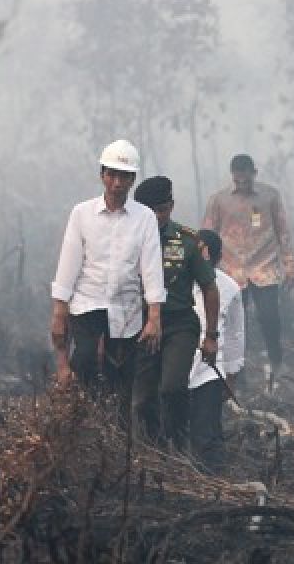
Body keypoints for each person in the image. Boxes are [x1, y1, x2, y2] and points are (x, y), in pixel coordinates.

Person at [50, 140, 165, 413]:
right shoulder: (82, 214)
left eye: (124, 176)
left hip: (126, 308)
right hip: (87, 302)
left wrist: (154, 317)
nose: (116, 183)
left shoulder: (144, 218)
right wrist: (59, 310)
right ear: (102, 175)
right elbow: (69, 262)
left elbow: (151, 268)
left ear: (132, 180)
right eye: (112, 174)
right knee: (86, 359)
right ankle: (85, 415)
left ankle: (115, 434)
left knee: (121, 377)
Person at [132, 175, 218, 449]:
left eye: (162, 210)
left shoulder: (189, 242)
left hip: (179, 324)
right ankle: (152, 448)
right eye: (150, 211)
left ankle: (179, 442)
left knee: (172, 387)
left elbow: (209, 288)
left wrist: (211, 336)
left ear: (171, 206)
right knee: (142, 398)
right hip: (139, 324)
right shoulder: (127, 239)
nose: (156, 217)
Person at [202, 154, 294, 391]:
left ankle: (277, 363)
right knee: (233, 323)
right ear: (232, 174)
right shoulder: (219, 200)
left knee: (269, 319)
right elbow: (207, 233)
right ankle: (236, 373)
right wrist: (204, 266)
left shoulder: (270, 197)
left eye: (246, 174)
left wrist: (290, 263)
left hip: (264, 268)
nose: (242, 179)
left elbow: (283, 231)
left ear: (254, 172)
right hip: (231, 270)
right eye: (238, 174)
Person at [188, 229, 245, 472]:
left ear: (218, 259)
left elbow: (235, 334)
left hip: (209, 369)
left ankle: (212, 481)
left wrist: (231, 377)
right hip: (175, 364)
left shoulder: (229, 288)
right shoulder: (176, 281)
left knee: (207, 431)